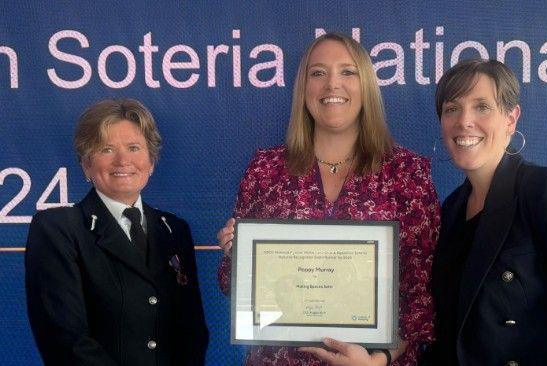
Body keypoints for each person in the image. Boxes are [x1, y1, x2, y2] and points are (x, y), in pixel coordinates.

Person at [217, 33, 440, 366]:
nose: (332, 84)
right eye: (318, 73)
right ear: (303, 88)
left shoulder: (406, 172)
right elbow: (234, 287)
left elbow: (422, 292)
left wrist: (378, 359)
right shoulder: (265, 169)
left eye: (347, 72)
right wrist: (237, 253)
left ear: (366, 85)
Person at [421, 59, 547, 365]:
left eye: (482, 107)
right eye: (452, 108)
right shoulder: (451, 210)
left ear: (511, 118)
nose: (464, 120)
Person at [25, 99, 209, 366]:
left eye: (134, 148)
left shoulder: (174, 230)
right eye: (107, 149)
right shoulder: (58, 229)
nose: (123, 160)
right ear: (87, 165)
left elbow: (192, 333)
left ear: (151, 161)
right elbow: (64, 340)